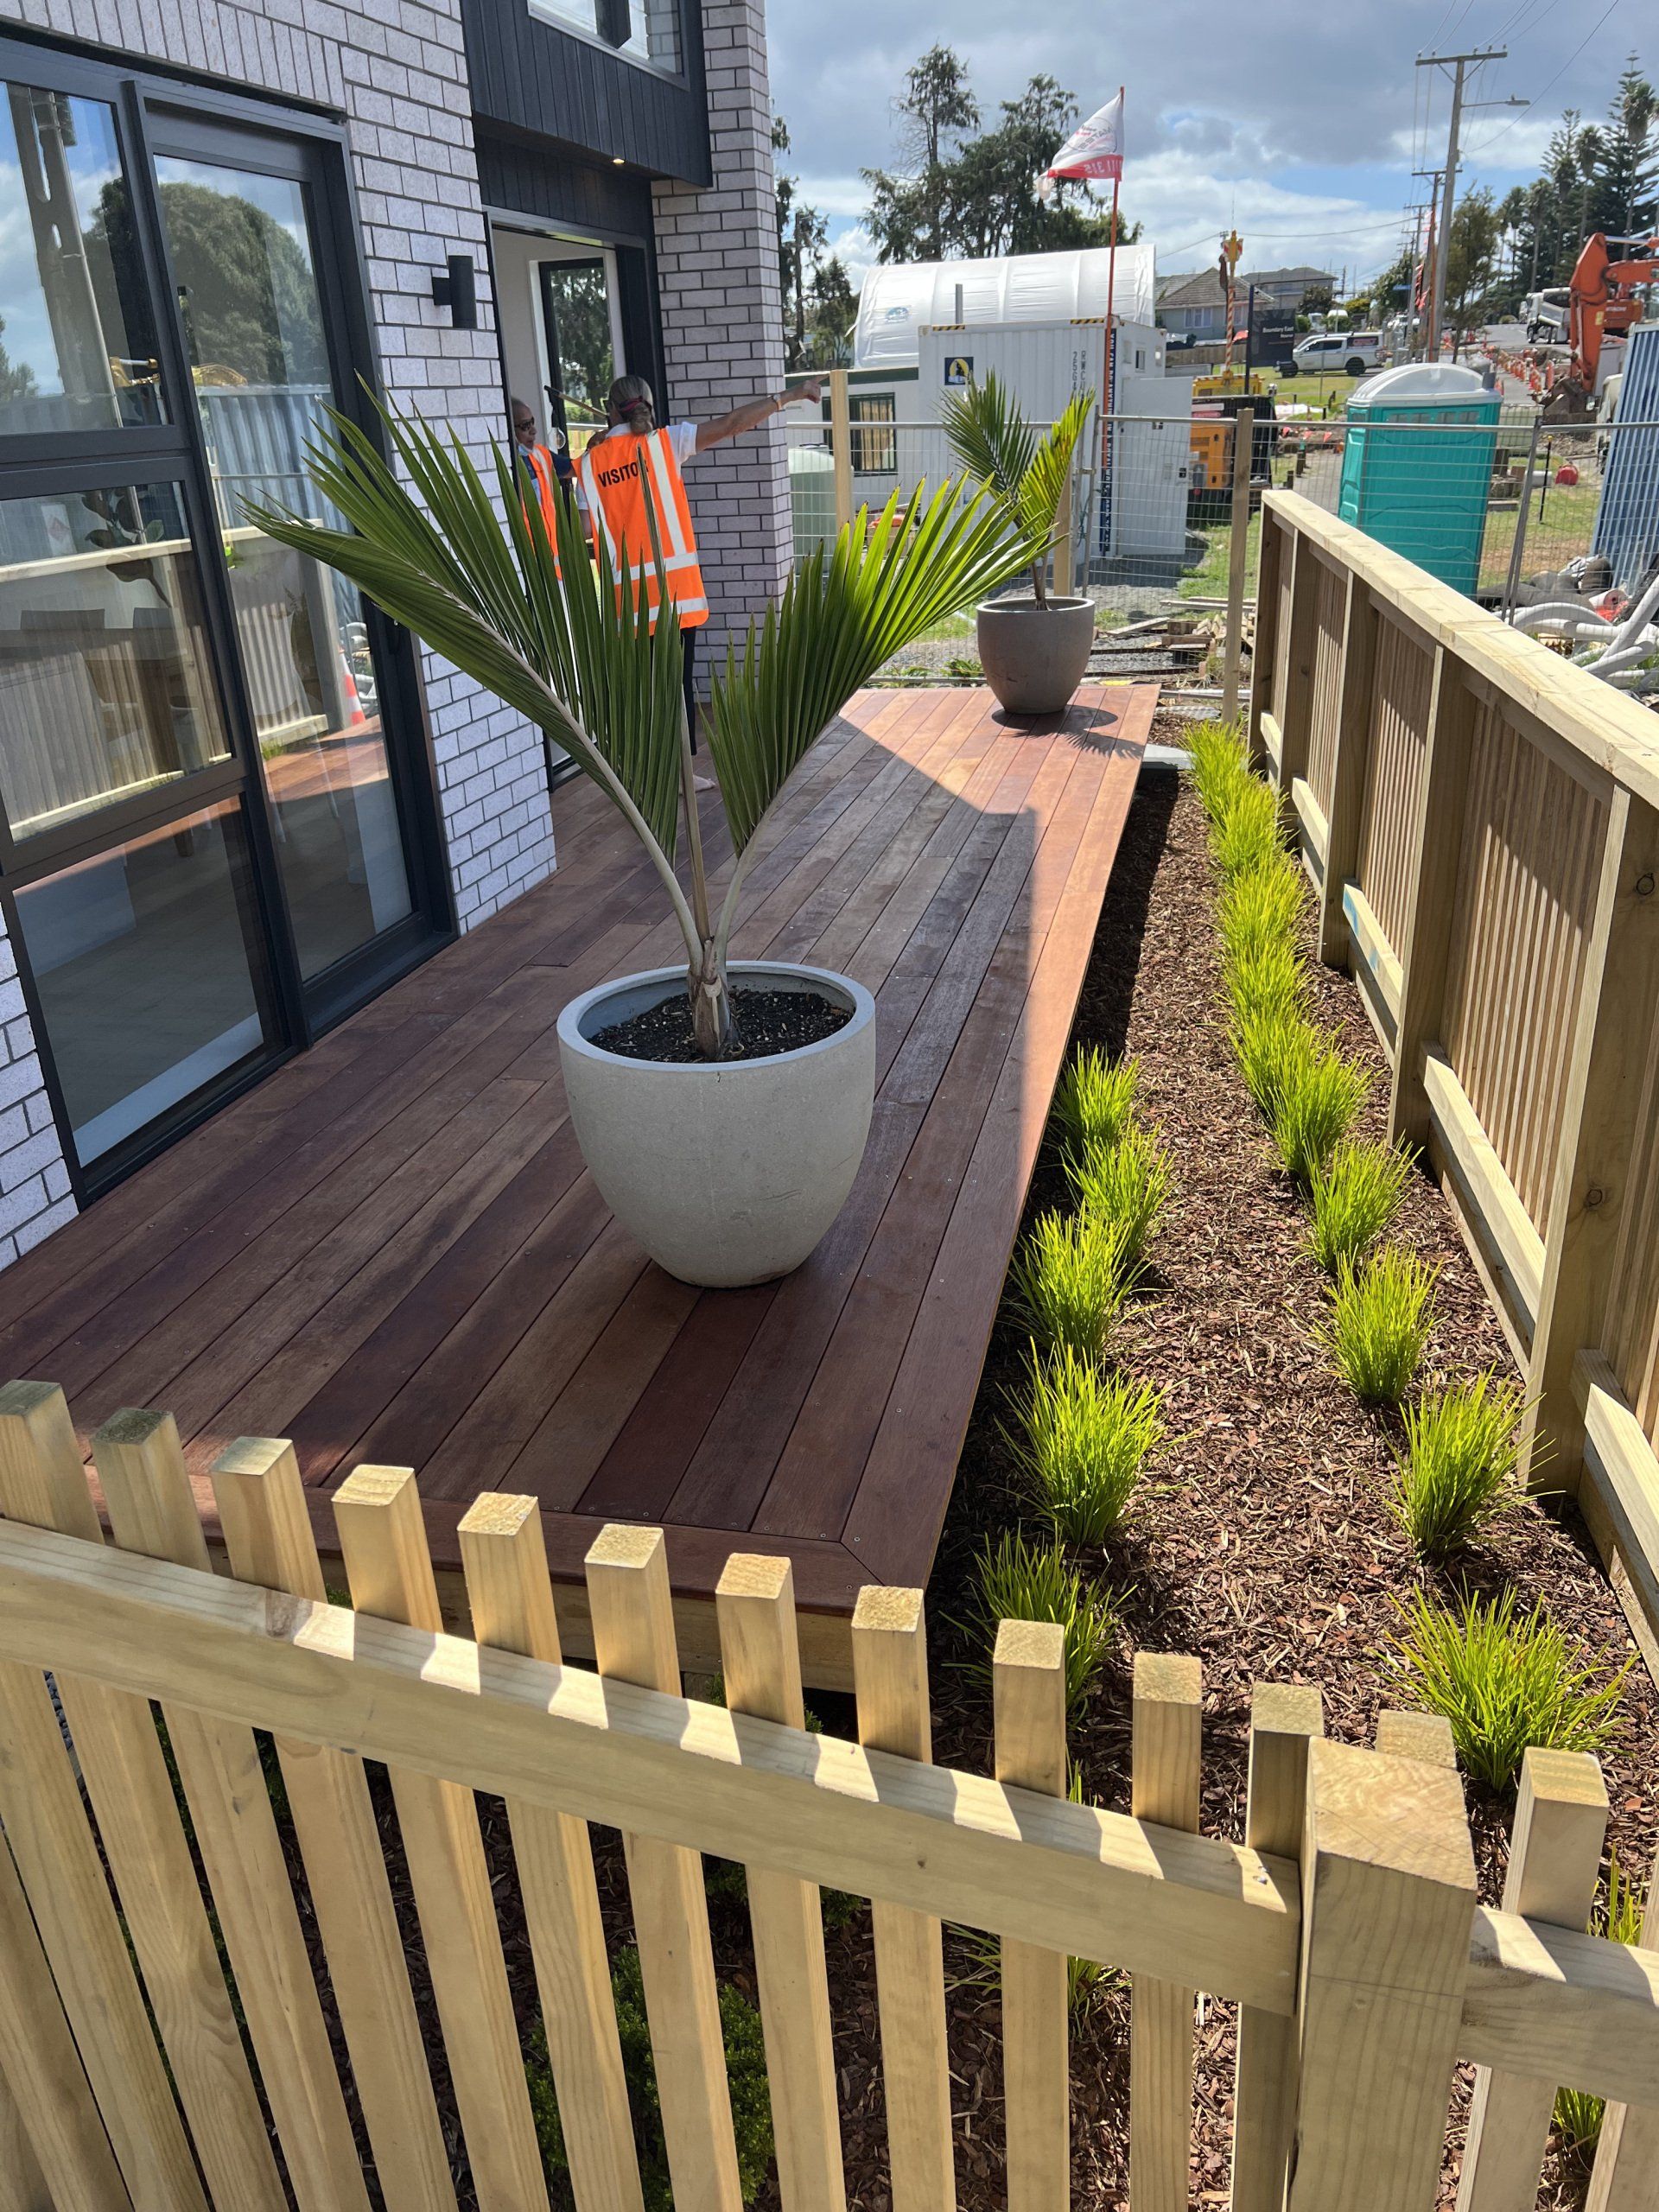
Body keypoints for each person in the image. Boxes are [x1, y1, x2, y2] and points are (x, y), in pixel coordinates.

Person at [576, 372, 822, 735]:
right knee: (678, 687)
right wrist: (789, 395)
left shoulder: (588, 464)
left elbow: (583, 530)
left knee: (646, 693)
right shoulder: (664, 444)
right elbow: (732, 424)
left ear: (608, 410)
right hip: (675, 596)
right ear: (647, 405)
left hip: (626, 603)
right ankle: (685, 778)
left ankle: (653, 776)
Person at [511, 397, 575, 545]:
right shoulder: (502, 467)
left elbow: (576, 469)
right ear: (509, 428)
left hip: (551, 553)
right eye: (526, 425)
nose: (534, 430)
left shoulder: (541, 455)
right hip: (525, 554)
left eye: (532, 422)